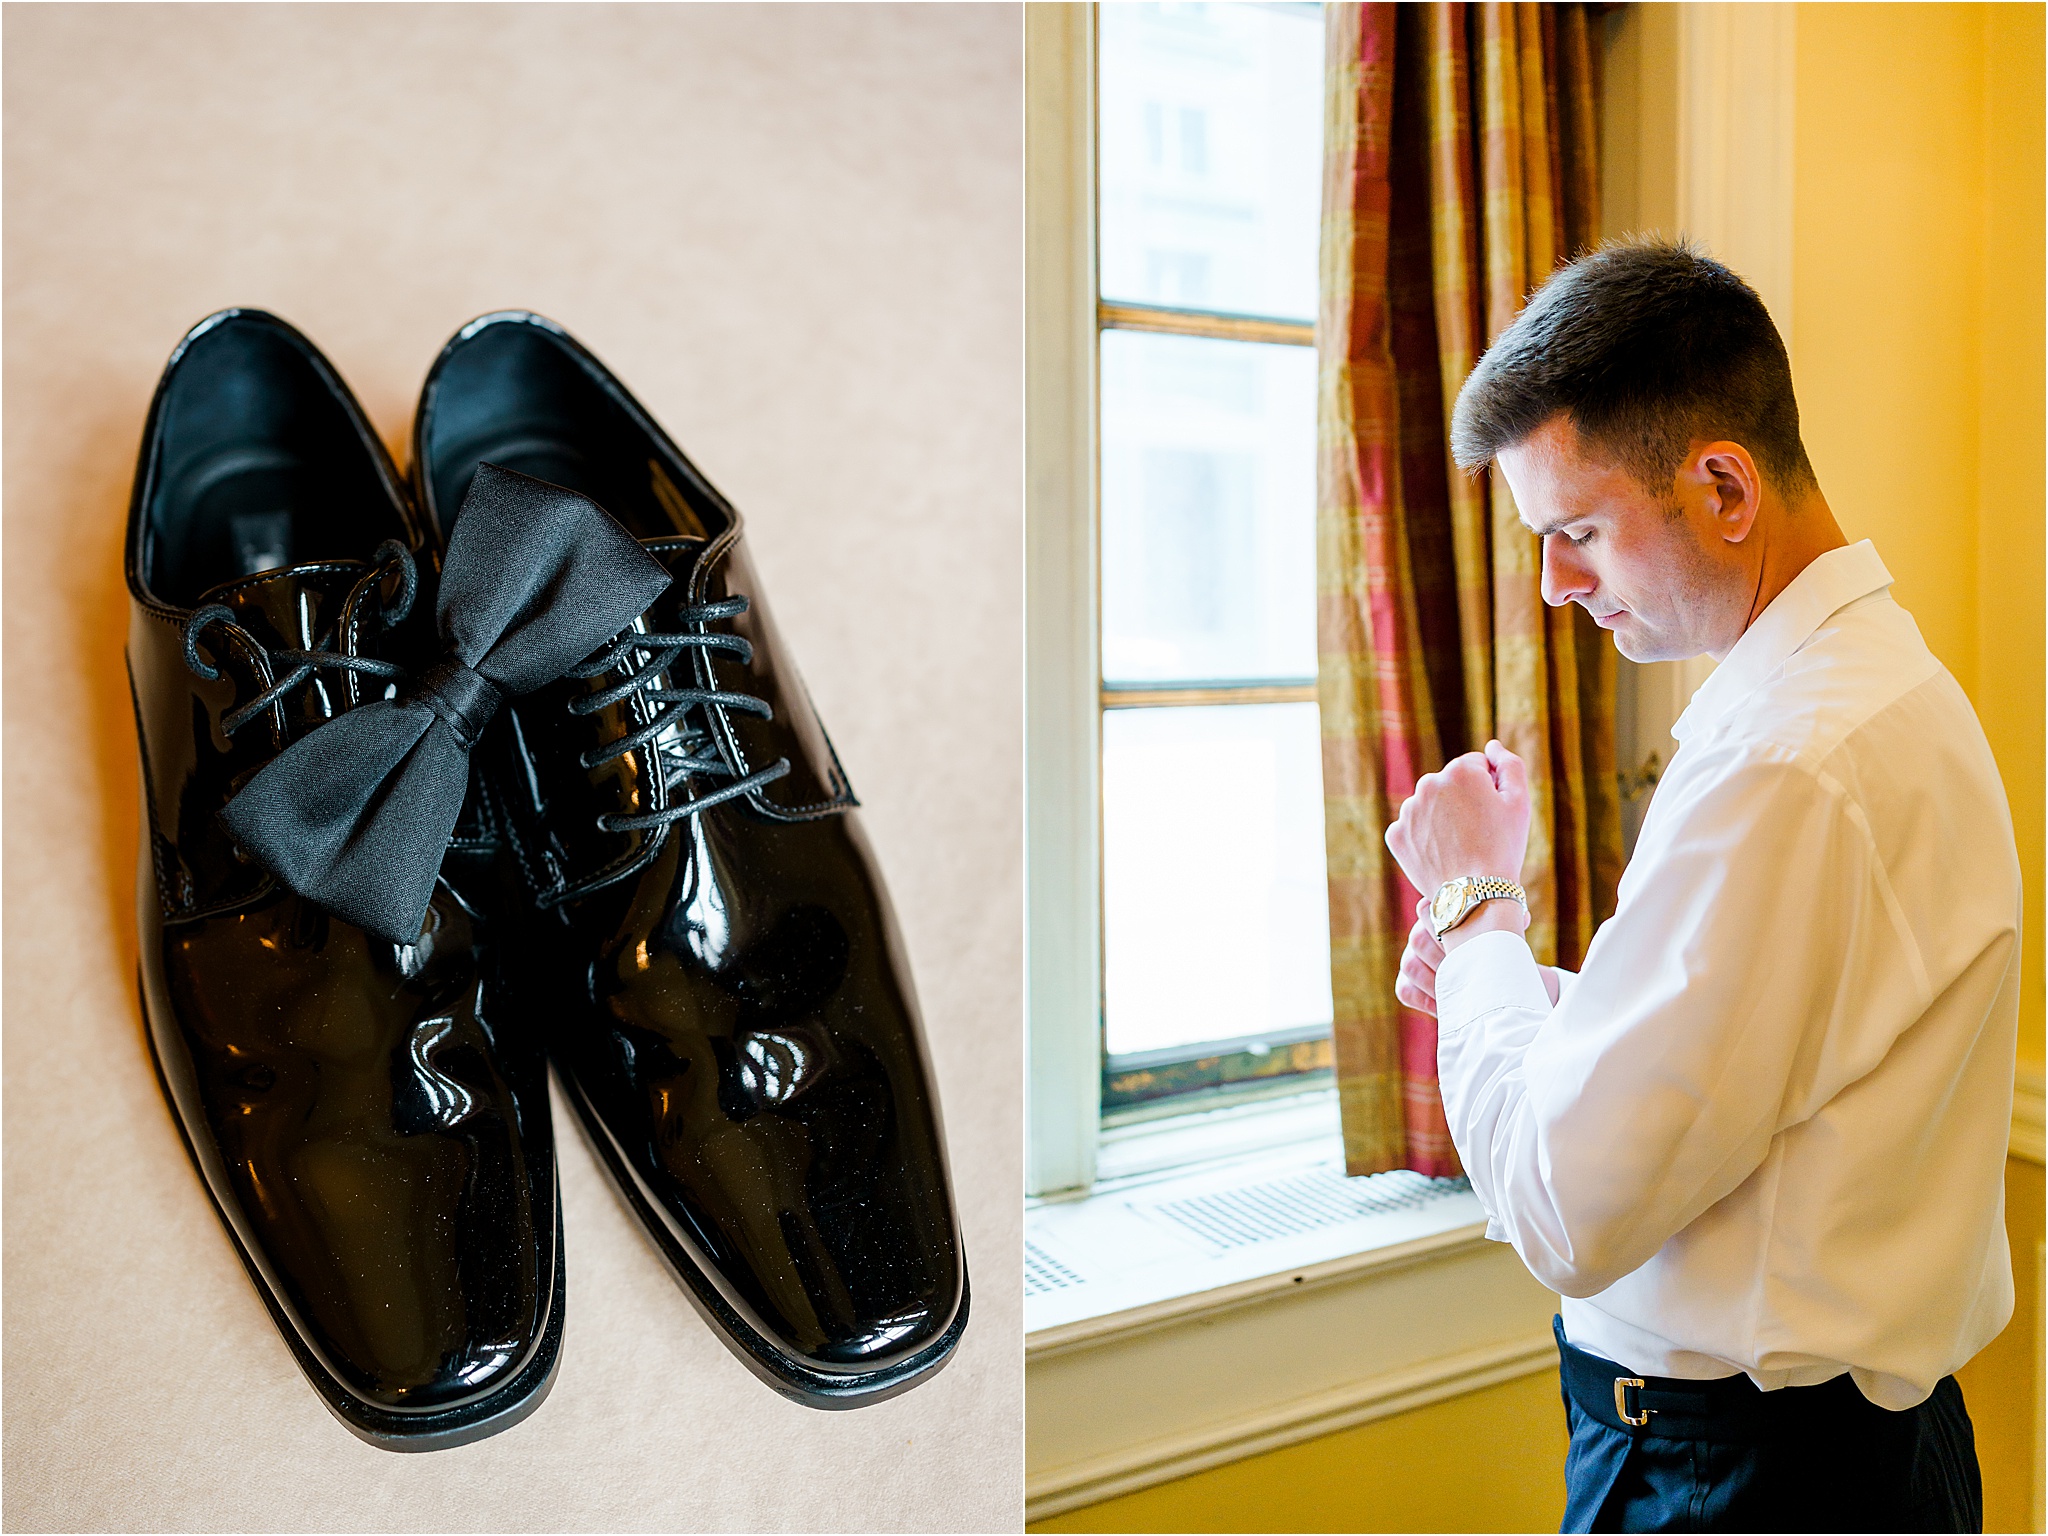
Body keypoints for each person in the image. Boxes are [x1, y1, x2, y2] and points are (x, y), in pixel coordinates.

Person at [1384, 239, 2015, 1534]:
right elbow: (1781, 1063)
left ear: (1724, 486)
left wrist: (1477, 909)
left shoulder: (1784, 762)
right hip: (1854, 1463)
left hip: (1739, 1482)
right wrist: (1520, 989)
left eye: (1576, 533)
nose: (1555, 586)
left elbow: (1566, 1211)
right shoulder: (1882, 690)